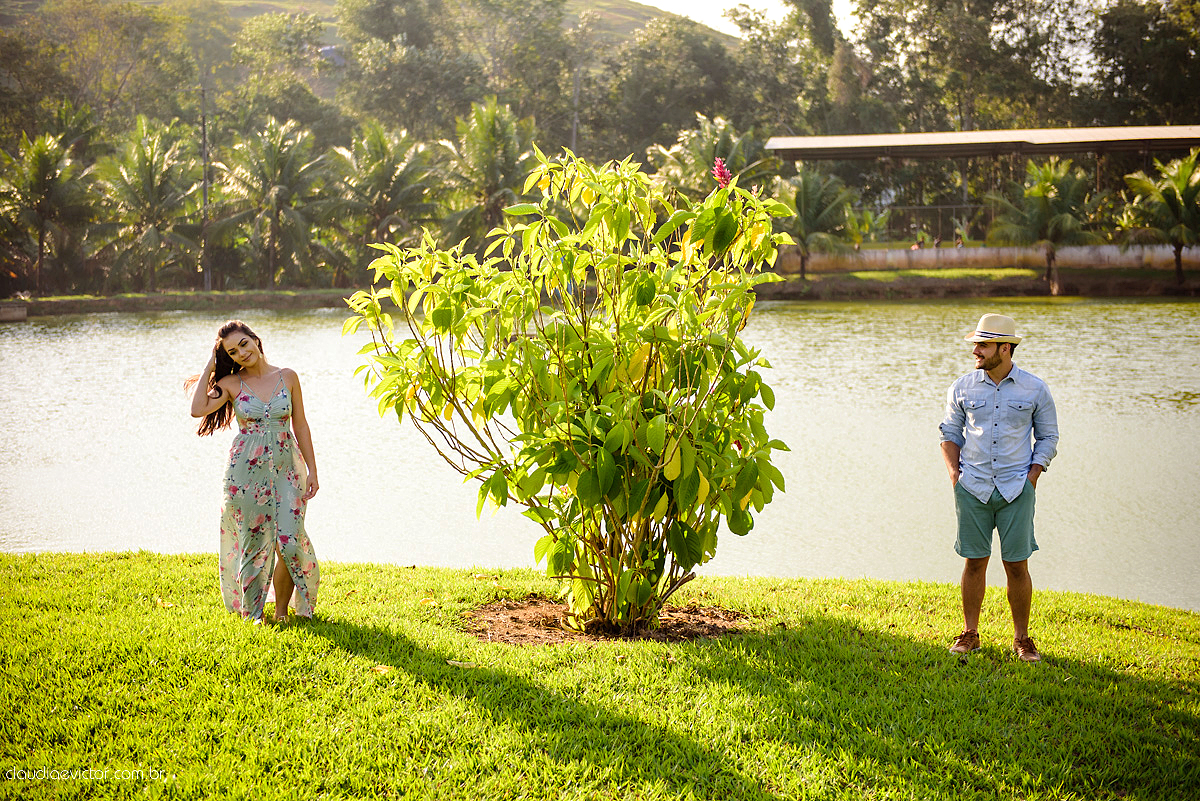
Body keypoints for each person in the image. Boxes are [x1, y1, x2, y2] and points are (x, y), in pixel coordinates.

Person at [938, 313, 1058, 662]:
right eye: (976, 344)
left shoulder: (1035, 388)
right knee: (974, 562)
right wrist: (954, 477)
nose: (976, 350)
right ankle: (970, 633)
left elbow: (1048, 436)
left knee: (1017, 565)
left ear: (1005, 349)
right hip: (971, 488)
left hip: (1016, 490)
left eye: (983, 344)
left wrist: (1032, 477)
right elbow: (948, 434)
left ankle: (1022, 639)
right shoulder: (961, 387)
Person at [189, 320, 320, 624]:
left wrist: (313, 469)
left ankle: (282, 611)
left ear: (255, 340)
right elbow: (197, 409)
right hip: (245, 474)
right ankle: (254, 614)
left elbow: (300, 424)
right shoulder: (232, 384)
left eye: (243, 344)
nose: (241, 353)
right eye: (232, 352)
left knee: (288, 539)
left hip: (288, 468)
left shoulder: (288, 377)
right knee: (254, 541)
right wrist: (211, 364)